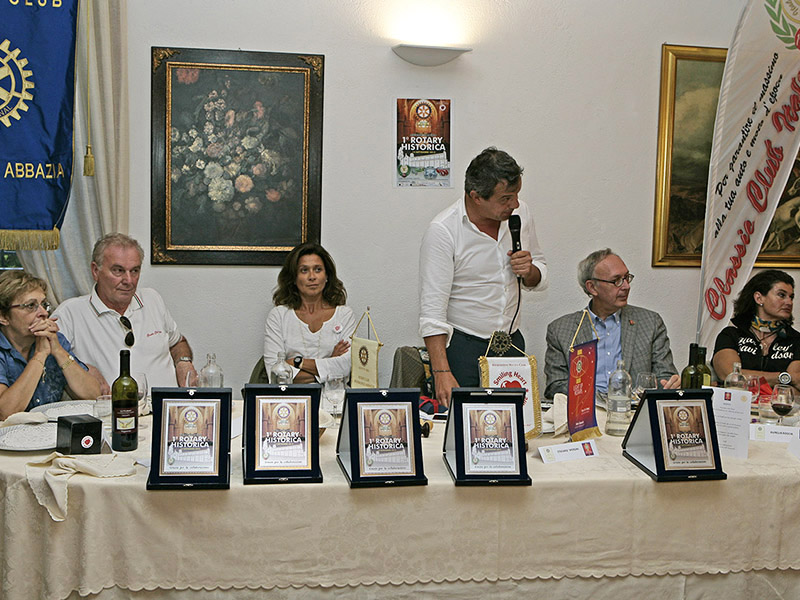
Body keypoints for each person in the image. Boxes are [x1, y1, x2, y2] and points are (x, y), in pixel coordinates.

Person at [419, 147, 548, 406]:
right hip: (464, 349)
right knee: (466, 424)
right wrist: (441, 372)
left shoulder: (521, 214)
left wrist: (530, 271)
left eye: (517, 195)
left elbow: (539, 270)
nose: (514, 204)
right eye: (506, 198)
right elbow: (432, 313)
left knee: (516, 423)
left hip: (511, 343)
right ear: (476, 197)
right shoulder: (444, 231)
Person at [52, 233, 197, 392]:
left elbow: (178, 342)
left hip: (165, 405)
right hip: (112, 406)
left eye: (134, 271)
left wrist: (183, 362)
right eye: (118, 271)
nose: (129, 280)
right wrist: (82, 368)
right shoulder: (70, 313)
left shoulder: (152, 299)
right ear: (95, 271)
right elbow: (48, 362)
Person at [544, 248, 679, 400]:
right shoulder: (561, 330)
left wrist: (669, 384)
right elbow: (555, 386)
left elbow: (664, 376)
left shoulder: (650, 323)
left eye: (626, 278)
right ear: (592, 287)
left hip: (633, 409)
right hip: (586, 409)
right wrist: (594, 399)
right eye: (617, 281)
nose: (626, 286)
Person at [0, 271, 99, 419]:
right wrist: (40, 355)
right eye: (31, 305)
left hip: (51, 430)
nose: (43, 313)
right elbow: (5, 412)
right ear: (3, 316)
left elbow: (93, 395)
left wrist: (59, 352)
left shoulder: (55, 340)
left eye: (44, 305)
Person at [264, 242, 355, 383]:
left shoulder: (344, 315)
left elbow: (346, 367)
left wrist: (297, 362)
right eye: (304, 270)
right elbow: (276, 374)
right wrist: (330, 364)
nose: (312, 276)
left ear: (327, 276)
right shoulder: (279, 316)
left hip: (334, 394)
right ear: (294, 278)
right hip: (292, 396)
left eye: (318, 270)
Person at [712, 269, 800, 387]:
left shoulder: (795, 339)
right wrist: (783, 377)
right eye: (781, 295)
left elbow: (794, 385)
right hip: (739, 399)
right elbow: (730, 376)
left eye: (791, 297)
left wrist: (746, 376)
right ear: (759, 298)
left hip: (777, 400)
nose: (789, 302)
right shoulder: (731, 334)